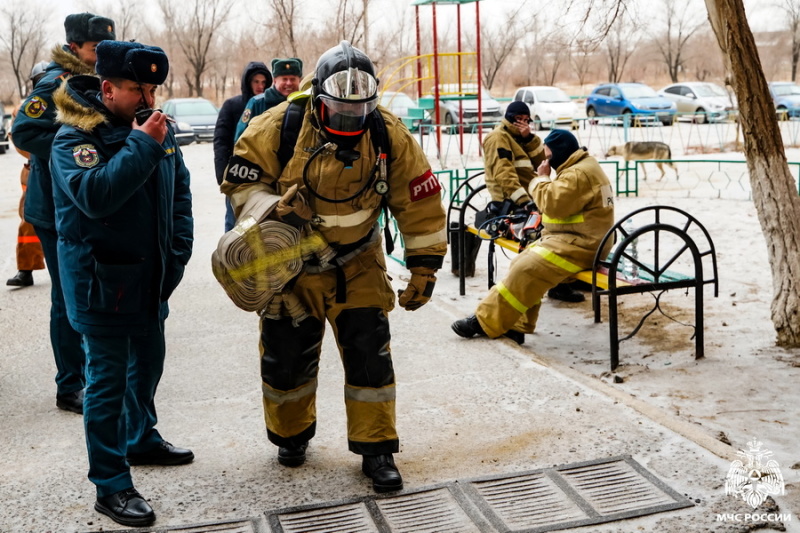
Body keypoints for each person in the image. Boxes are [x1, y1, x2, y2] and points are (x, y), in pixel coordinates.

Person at [220, 41, 446, 493]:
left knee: (370, 357)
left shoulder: (388, 133)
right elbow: (240, 185)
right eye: (341, 111)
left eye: (360, 111)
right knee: (286, 358)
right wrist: (273, 210)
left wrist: (424, 269)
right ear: (319, 100)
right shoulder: (277, 127)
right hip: (291, 267)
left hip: (359, 264)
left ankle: (376, 448)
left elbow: (419, 202)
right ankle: (291, 436)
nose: (350, 120)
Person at [49, 40, 194, 527]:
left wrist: (177, 255)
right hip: (102, 283)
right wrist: (142, 144)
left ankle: (141, 438)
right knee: (107, 385)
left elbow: (179, 194)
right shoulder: (75, 138)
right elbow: (96, 195)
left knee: (148, 365)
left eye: (153, 89)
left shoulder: (154, 128)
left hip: (151, 278)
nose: (148, 99)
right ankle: (110, 484)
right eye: (138, 89)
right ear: (108, 89)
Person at [11, 12, 116, 414]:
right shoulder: (56, 83)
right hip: (54, 208)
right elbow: (23, 130)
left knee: (88, 290)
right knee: (66, 295)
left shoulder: (96, 81)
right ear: (74, 47)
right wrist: (70, 148)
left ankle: (93, 372)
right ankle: (69, 385)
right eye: (95, 48)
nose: (100, 54)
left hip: (83, 204)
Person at [452, 129, 615, 344]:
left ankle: (484, 321)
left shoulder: (577, 174)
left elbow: (551, 204)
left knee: (526, 268)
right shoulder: (582, 167)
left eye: (548, 156)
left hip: (582, 246)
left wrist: (542, 178)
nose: (545, 161)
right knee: (521, 262)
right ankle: (515, 325)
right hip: (576, 240)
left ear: (559, 153)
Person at [484, 101, 586, 303]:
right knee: (546, 234)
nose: (522, 123)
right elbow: (505, 175)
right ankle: (557, 285)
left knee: (568, 224)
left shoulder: (520, 138)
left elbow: (544, 162)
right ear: (509, 118)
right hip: (510, 204)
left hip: (532, 195)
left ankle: (569, 276)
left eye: (526, 120)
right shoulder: (498, 138)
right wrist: (525, 202)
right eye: (518, 119)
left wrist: (529, 139)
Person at [213, 61, 272, 232]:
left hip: (263, 176)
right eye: (256, 82)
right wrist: (222, 175)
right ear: (248, 82)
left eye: (263, 82)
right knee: (234, 224)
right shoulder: (232, 105)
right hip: (236, 174)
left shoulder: (269, 105)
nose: (260, 86)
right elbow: (221, 141)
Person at [6, 63, 49, 287]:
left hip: (61, 168)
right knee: (29, 221)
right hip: (34, 171)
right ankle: (26, 268)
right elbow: (18, 140)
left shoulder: (67, 102)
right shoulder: (25, 109)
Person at [233, 57, 303, 142]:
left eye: (293, 79)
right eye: (284, 79)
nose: (289, 83)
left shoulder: (305, 103)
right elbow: (241, 138)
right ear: (275, 81)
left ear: (299, 81)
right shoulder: (257, 103)